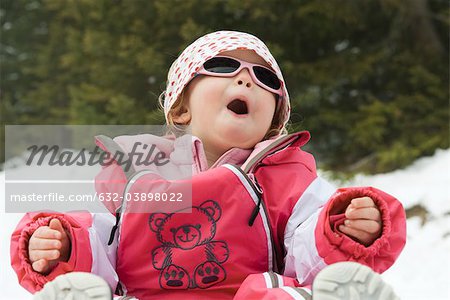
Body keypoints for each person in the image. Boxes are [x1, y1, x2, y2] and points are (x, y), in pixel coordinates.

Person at [11, 30, 406, 300]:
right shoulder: (135, 171)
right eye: (222, 67)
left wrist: (341, 229)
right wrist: (63, 245)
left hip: (248, 296)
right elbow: (100, 236)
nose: (247, 80)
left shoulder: (287, 176)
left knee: (277, 292)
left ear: (273, 119)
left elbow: (306, 242)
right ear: (181, 107)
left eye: (265, 77)